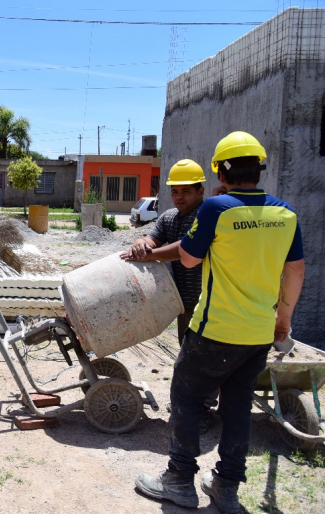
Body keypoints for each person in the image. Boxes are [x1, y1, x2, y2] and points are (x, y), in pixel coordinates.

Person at [136, 132, 304, 513]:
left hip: (214, 330)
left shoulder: (216, 208)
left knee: (187, 398)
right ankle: (226, 486)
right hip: (259, 333)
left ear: (221, 172)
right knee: (238, 407)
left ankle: (179, 480)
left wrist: (149, 257)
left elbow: (190, 258)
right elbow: (295, 271)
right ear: (259, 168)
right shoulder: (286, 213)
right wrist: (283, 320)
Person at [122, 159, 205, 344]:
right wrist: (141, 243)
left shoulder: (206, 215)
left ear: (201, 191)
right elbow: (153, 238)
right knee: (186, 349)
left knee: (203, 355)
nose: (179, 197)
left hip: (207, 302)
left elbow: (185, 249)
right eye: (175, 191)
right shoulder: (169, 217)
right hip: (182, 300)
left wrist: (149, 256)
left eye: (186, 191)